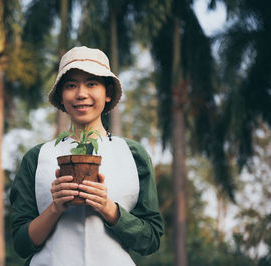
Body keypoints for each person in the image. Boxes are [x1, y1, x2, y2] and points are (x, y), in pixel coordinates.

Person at [10, 46, 164, 266]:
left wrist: (108, 208)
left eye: (92, 83)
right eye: (71, 85)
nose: (81, 93)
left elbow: (150, 239)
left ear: (108, 92)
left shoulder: (133, 155)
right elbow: (21, 243)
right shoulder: (37, 158)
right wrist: (55, 208)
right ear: (61, 97)